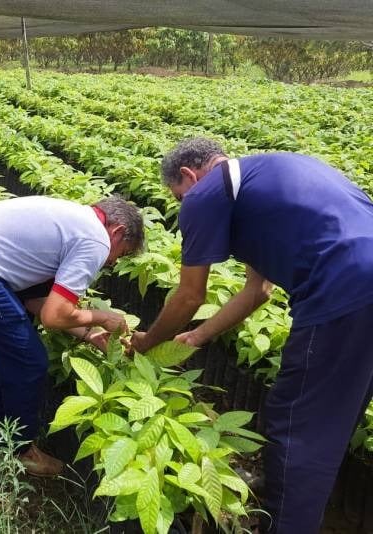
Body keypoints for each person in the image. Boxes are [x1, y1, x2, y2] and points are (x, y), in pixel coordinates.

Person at [130, 137, 373, 533]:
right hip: (360, 280)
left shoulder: (205, 194)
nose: (182, 207)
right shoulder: (262, 180)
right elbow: (257, 291)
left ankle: (287, 521)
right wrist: (199, 336)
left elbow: (191, 294)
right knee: (337, 410)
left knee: (297, 423)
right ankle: (292, 494)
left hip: (345, 287)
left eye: (178, 198)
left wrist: (147, 341)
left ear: (191, 175)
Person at [0, 195, 145, 476]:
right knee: (28, 360)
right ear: (117, 232)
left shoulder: (75, 220)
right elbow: (54, 316)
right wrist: (102, 317)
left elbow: (36, 303)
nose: (112, 262)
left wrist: (89, 333)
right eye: (121, 253)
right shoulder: (96, 241)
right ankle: (20, 452)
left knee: (14, 344)